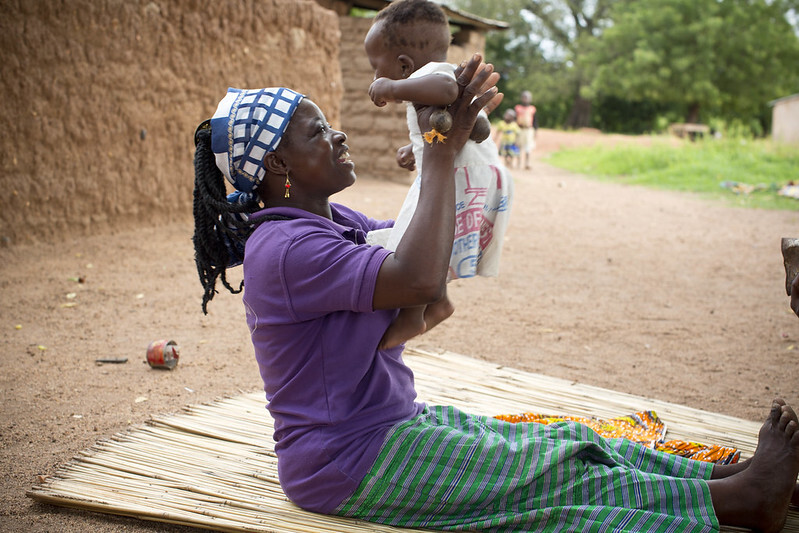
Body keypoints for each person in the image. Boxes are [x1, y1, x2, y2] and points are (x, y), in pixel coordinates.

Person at [191, 57, 799, 532]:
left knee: (561, 442)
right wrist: (438, 153)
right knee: (551, 481)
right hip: (347, 461)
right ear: (277, 166)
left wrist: (449, 140)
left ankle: (717, 477)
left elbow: (431, 253)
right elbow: (419, 277)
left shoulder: (326, 223)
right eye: (317, 131)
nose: (339, 135)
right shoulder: (285, 250)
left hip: (384, 427)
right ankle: (738, 504)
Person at [363, 0, 513, 350]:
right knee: (435, 242)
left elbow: (447, 91)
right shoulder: (426, 79)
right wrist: (412, 151)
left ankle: (412, 317)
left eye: (376, 68)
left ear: (403, 65)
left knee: (412, 241)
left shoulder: (430, 75)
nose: (375, 78)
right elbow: (437, 131)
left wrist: (391, 88)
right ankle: (438, 302)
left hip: (462, 175)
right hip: (470, 171)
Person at [515, 89, 538, 170]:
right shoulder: (518, 108)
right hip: (519, 129)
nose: (525, 99)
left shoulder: (532, 109)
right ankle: (518, 163)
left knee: (528, 147)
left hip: (528, 130)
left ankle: (527, 163)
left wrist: (536, 131)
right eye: (524, 97)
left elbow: (535, 121)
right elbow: (515, 119)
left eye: (527, 97)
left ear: (530, 99)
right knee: (518, 146)